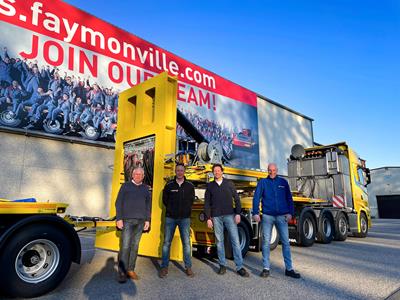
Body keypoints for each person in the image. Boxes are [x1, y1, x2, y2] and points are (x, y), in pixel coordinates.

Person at [252, 163, 301, 279]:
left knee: (285, 242)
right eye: (270, 170)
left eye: (274, 170)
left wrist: (290, 213)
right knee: (265, 242)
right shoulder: (263, 183)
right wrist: (255, 213)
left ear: (277, 170)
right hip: (268, 216)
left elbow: (289, 198)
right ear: (267, 171)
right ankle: (266, 268)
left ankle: (289, 269)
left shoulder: (283, 182)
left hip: (282, 216)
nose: (272, 172)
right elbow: (256, 197)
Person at [204, 164, 249, 277]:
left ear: (222, 172)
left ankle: (239, 267)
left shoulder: (229, 184)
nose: (217, 172)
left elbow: (237, 199)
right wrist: (208, 218)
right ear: (213, 173)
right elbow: (206, 204)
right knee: (219, 241)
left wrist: (238, 213)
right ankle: (222, 265)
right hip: (216, 217)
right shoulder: (210, 186)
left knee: (235, 241)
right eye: (215, 171)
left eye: (219, 170)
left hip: (230, 215)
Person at [115, 167, 151, 283]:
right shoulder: (125, 186)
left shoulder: (146, 189)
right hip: (127, 221)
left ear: (143, 176)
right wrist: (119, 219)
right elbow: (118, 203)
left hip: (140, 222)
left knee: (135, 246)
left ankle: (131, 270)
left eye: (140, 174)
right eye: (136, 174)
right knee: (125, 246)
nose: (138, 176)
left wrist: (147, 220)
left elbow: (148, 206)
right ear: (132, 175)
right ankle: (122, 272)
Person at [159, 163, 195, 278]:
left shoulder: (190, 186)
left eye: (181, 170)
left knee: (186, 244)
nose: (179, 172)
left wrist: (185, 210)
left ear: (184, 172)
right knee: (166, 243)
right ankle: (164, 267)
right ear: (175, 171)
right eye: (178, 170)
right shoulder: (169, 185)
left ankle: (188, 267)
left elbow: (191, 200)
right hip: (171, 218)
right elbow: (165, 200)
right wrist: (171, 209)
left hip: (184, 218)